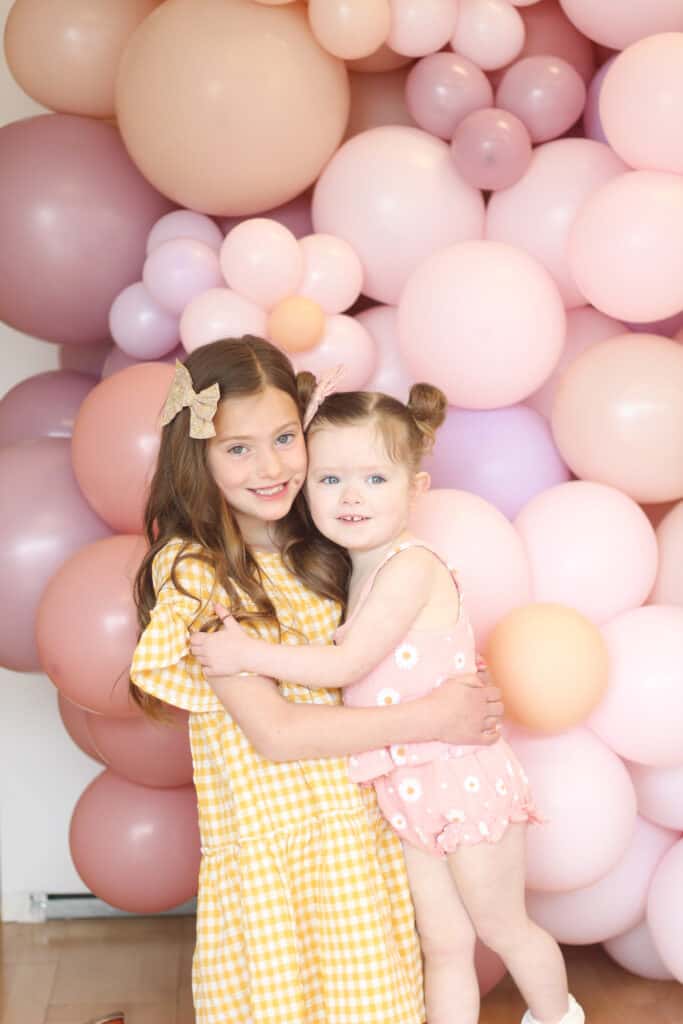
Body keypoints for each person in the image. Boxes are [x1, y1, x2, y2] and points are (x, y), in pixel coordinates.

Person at [129, 336, 504, 1024]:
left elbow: (392, 654)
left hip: (364, 840)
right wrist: (433, 717)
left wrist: (459, 691)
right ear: (198, 455)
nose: (269, 466)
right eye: (238, 448)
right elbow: (274, 733)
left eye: (282, 438)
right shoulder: (194, 571)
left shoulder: (330, 545)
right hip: (281, 861)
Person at [191, 377, 586, 1024]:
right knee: (444, 942)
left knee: (500, 927)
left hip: (457, 776)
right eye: (329, 479)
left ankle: (558, 1016)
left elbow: (347, 663)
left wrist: (246, 656)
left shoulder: (409, 566)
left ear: (414, 488)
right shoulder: (350, 569)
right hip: (402, 783)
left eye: (374, 480)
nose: (349, 497)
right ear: (305, 487)